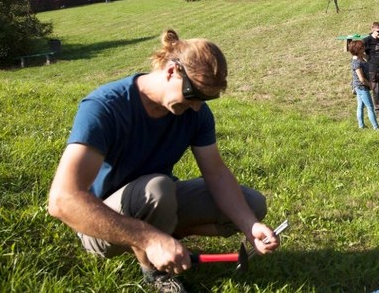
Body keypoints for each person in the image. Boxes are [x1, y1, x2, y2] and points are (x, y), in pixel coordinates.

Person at [47, 30, 280, 292]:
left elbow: (216, 174)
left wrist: (250, 227)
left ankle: (166, 238)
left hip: (156, 202)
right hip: (100, 223)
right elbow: (62, 200)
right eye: (193, 96)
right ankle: (155, 272)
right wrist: (149, 239)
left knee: (252, 204)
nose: (196, 107)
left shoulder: (196, 113)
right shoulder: (104, 107)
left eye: (206, 99)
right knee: (157, 189)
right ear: (171, 71)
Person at [348, 40, 379, 131]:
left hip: (359, 87)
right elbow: (361, 79)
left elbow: (369, 58)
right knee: (370, 108)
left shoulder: (360, 58)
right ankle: (376, 127)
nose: (364, 48)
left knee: (360, 106)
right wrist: (370, 85)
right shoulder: (357, 62)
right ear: (357, 49)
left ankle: (361, 126)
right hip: (362, 87)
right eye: (362, 47)